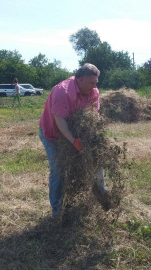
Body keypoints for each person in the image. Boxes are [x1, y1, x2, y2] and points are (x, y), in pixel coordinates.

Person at [38, 63, 107, 217]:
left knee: (96, 161)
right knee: (59, 170)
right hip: (53, 134)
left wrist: (92, 137)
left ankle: (102, 197)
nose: (95, 86)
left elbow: (93, 116)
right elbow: (59, 121)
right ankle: (57, 211)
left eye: (96, 82)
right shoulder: (62, 92)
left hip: (75, 133)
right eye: (92, 82)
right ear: (80, 79)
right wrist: (74, 141)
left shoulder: (93, 91)